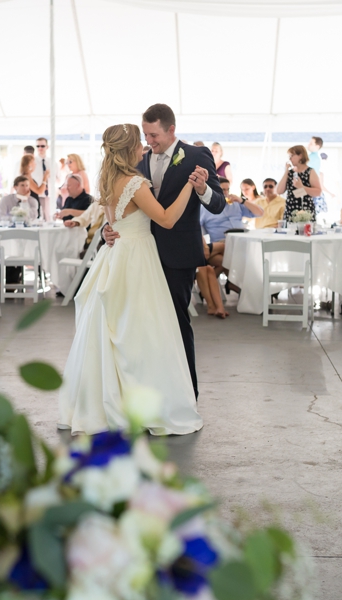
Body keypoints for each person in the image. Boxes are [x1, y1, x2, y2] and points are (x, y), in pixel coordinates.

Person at [59, 122, 203, 435]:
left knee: (116, 330)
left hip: (116, 254)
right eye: (139, 142)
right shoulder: (136, 183)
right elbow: (165, 219)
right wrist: (190, 187)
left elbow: (114, 222)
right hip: (137, 258)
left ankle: (112, 401)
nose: (143, 146)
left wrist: (110, 231)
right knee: (142, 332)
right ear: (130, 149)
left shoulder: (108, 179)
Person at [102, 103, 226, 400]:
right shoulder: (137, 160)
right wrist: (110, 229)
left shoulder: (197, 156)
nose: (148, 142)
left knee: (174, 324)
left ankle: (185, 395)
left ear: (171, 129)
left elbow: (218, 203)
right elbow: (122, 205)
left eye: (154, 135)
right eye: (145, 135)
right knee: (142, 326)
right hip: (138, 256)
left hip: (177, 255)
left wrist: (200, 188)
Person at [200, 177, 263, 272]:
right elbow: (196, 229)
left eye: (227, 189)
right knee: (236, 263)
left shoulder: (236, 204)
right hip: (221, 243)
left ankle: (231, 285)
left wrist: (242, 201)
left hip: (241, 241)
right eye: (222, 190)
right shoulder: (205, 208)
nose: (226, 193)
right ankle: (238, 285)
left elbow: (260, 213)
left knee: (225, 263)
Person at [277, 145, 321, 222]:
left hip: (305, 210)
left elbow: (318, 191)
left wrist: (302, 187)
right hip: (290, 209)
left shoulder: (310, 171)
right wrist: (286, 171)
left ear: (300, 155)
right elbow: (279, 191)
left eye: (292, 156)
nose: (290, 159)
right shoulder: (290, 172)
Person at [196, 238, 228, 319]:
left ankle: (220, 307)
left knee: (210, 268)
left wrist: (205, 247)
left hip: (195, 246)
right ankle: (211, 306)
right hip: (184, 250)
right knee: (202, 268)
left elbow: (197, 232)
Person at [20, 154, 48, 219]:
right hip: (30, 206)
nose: (35, 164)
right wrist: (45, 177)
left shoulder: (28, 176)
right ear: (29, 164)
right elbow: (39, 191)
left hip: (33, 204)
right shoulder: (26, 177)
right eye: (33, 162)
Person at [34, 138, 50, 215]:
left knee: (49, 217)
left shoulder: (52, 162)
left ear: (47, 147)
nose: (40, 148)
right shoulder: (32, 162)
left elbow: (59, 180)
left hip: (49, 196)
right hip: (36, 194)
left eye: (42, 146)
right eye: (38, 146)